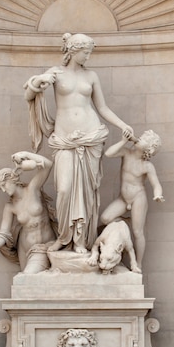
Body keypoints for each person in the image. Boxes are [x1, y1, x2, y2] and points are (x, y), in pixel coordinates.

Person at [24, 33, 133, 254]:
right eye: (86, 52)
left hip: (91, 136)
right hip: (64, 139)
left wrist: (122, 125)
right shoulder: (56, 73)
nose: (88, 56)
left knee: (86, 193)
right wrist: (38, 82)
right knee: (64, 190)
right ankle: (64, 238)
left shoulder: (91, 76)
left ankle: (81, 240)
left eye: (90, 52)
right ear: (73, 50)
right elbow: (29, 94)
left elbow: (102, 108)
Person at [0, 151, 56, 274]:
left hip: (46, 244)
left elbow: (48, 165)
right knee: (25, 285)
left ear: (11, 179)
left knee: (27, 278)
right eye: (0, 187)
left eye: (3, 185)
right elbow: (3, 233)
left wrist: (25, 154)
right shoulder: (10, 207)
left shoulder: (33, 189)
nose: (3, 190)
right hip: (25, 248)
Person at [100, 130, 164, 267]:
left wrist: (157, 194)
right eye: (142, 135)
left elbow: (156, 184)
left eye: (146, 138)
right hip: (123, 199)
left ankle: (138, 264)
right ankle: (127, 222)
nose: (141, 137)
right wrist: (123, 140)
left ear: (150, 148)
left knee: (138, 232)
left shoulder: (147, 166)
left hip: (138, 198)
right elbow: (108, 153)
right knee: (105, 219)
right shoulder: (126, 153)